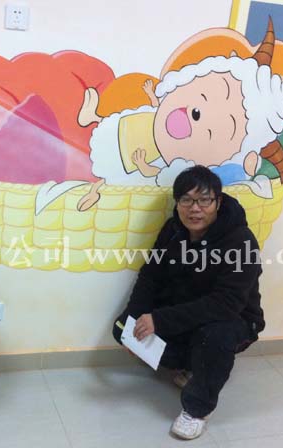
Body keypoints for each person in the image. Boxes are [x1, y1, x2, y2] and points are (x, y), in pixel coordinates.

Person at [112, 165, 264, 440]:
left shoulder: (240, 241)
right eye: (186, 200)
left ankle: (197, 409)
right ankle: (192, 365)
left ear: (218, 202)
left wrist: (160, 320)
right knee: (122, 328)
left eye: (204, 200)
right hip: (186, 312)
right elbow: (150, 276)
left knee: (214, 335)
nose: (195, 209)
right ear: (177, 202)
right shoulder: (173, 230)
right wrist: (132, 321)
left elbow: (226, 304)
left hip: (233, 319)